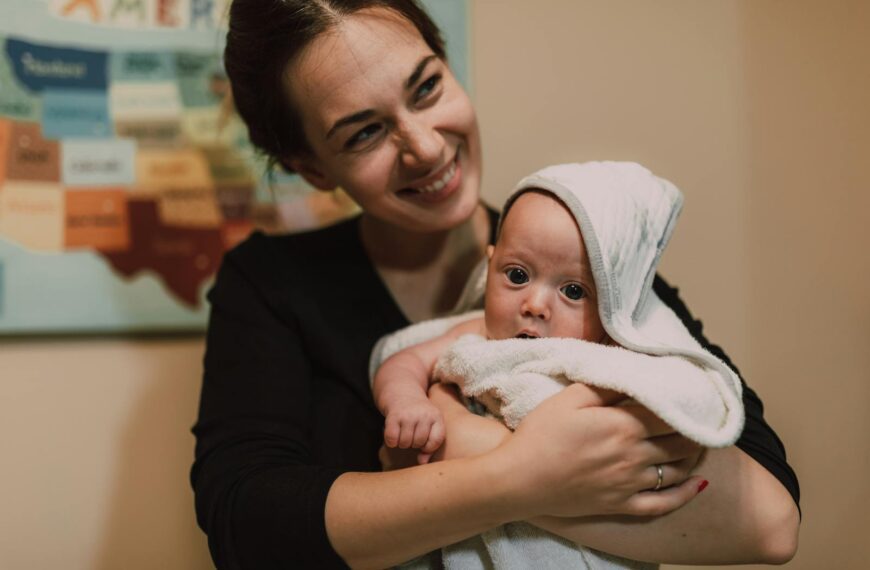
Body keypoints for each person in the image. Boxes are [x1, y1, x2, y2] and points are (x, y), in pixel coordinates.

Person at [191, 1, 800, 568]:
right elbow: (248, 526)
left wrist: (455, 451)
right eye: (364, 132)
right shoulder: (272, 287)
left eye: (427, 87)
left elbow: (771, 521)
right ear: (313, 168)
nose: (425, 148)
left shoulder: (590, 260)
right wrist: (521, 477)